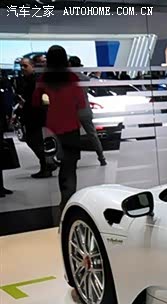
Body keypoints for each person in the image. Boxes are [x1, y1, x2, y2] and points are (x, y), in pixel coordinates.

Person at [33, 45, 85, 209]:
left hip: (52, 128)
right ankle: (68, 201)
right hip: (71, 127)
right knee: (70, 166)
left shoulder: (43, 79)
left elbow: (36, 102)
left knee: (61, 163)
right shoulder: (72, 78)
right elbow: (81, 103)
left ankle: (64, 200)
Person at [16, 57, 53, 178]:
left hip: (37, 115)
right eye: (21, 66)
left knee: (35, 141)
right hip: (30, 115)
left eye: (25, 66)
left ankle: (47, 165)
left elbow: (42, 99)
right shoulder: (24, 80)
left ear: (32, 66)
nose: (22, 68)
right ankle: (47, 163)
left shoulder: (36, 81)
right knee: (33, 140)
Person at [68, 56, 106, 166]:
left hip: (72, 110)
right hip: (85, 109)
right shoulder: (85, 78)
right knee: (92, 134)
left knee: (72, 137)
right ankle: (101, 157)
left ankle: (73, 161)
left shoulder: (68, 79)